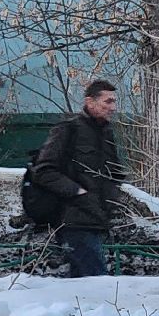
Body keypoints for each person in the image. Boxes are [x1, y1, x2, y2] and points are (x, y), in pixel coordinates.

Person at [28, 79, 124, 277]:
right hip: (73, 220)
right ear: (90, 102)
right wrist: (77, 192)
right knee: (96, 283)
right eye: (107, 102)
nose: (113, 107)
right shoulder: (68, 129)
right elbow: (44, 171)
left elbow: (112, 174)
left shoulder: (106, 133)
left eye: (114, 102)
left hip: (97, 220)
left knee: (87, 284)